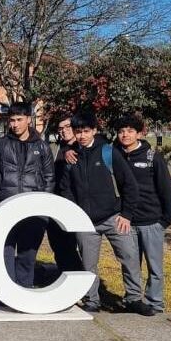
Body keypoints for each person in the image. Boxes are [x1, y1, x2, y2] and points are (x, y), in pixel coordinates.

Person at [58, 111, 154, 315]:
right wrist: (76, 213)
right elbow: (65, 189)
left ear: (94, 130)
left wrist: (126, 214)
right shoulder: (71, 156)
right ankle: (92, 299)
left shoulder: (108, 152)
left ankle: (134, 298)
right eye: (78, 132)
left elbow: (130, 186)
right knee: (88, 264)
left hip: (114, 218)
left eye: (86, 131)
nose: (82, 135)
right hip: (85, 222)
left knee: (129, 258)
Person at [0, 102, 54, 288]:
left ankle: (25, 290)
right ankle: (6, 292)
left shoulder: (42, 146)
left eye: (19, 120)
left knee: (27, 255)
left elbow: (49, 178)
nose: (15, 124)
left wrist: (44, 208)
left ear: (29, 120)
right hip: (4, 206)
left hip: (33, 210)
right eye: (12, 120)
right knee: (4, 252)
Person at [115, 114, 171, 314]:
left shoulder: (152, 157)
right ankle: (133, 299)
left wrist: (165, 220)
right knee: (130, 264)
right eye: (121, 131)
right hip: (127, 221)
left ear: (139, 134)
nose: (125, 135)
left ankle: (155, 302)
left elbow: (167, 189)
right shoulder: (114, 154)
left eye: (130, 131)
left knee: (155, 267)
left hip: (152, 221)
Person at [45, 116, 83, 274]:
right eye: (60, 128)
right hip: (55, 205)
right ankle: (64, 275)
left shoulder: (82, 147)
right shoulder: (54, 148)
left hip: (76, 205)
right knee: (58, 245)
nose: (64, 130)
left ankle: (79, 279)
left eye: (67, 126)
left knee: (74, 246)